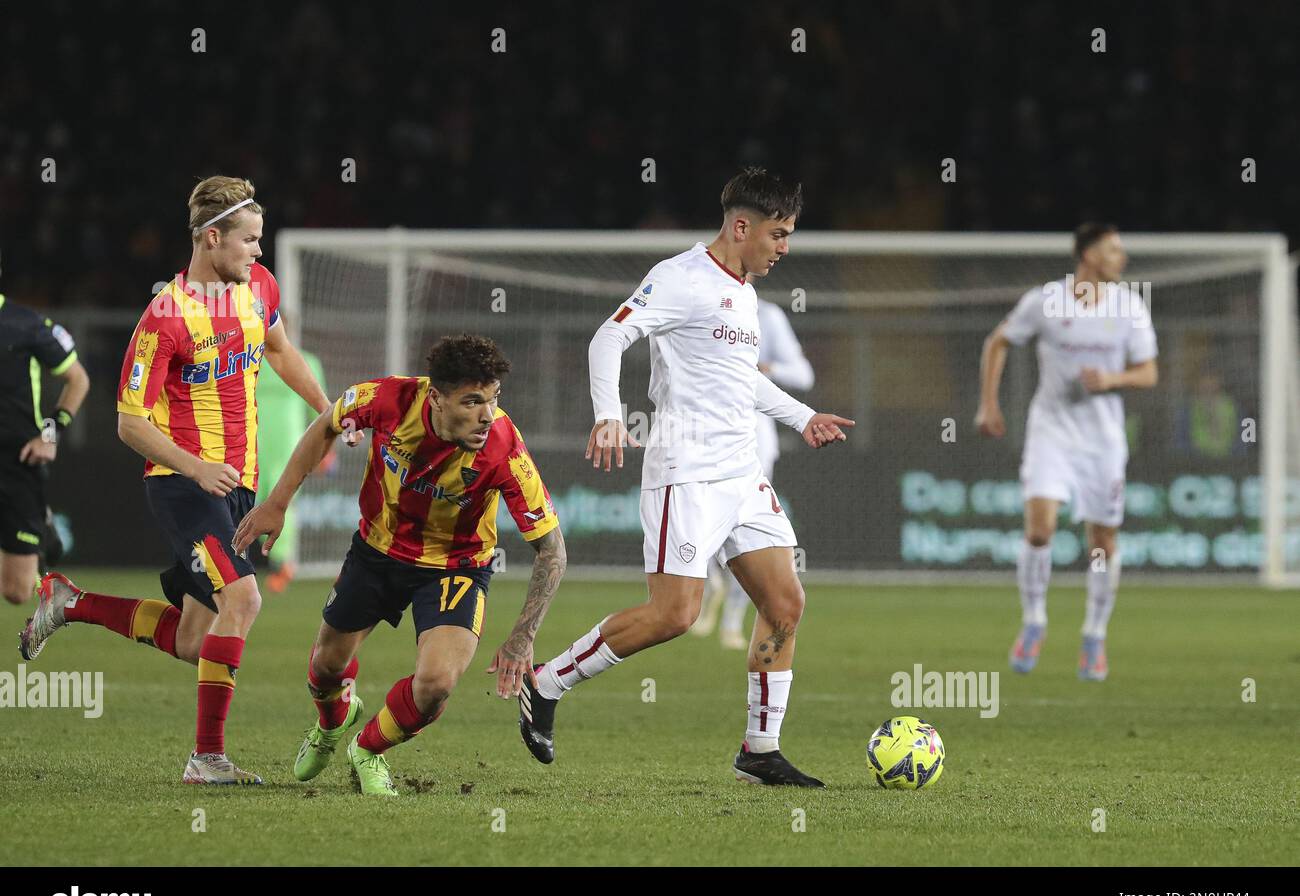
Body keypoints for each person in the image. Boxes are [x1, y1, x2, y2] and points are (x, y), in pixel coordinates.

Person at [518, 167, 854, 787]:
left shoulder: (747, 292)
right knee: (674, 614)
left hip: (742, 474)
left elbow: (739, 376)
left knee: (785, 605)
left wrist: (803, 416)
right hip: (687, 472)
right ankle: (546, 681)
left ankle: (760, 750)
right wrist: (609, 416)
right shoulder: (679, 278)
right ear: (742, 225)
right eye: (778, 234)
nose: (785, 247)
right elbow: (608, 337)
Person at [20, 176, 337, 784]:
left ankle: (71, 602)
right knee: (242, 600)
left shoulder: (258, 288)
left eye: (261, 240)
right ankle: (207, 759)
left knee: (197, 639)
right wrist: (194, 466)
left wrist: (328, 410)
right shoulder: (164, 317)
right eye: (249, 240)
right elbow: (128, 423)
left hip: (234, 483)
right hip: (182, 482)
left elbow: (279, 350)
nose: (259, 253)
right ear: (211, 237)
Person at [234, 334, 567, 796]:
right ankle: (333, 722)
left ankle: (368, 749)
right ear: (435, 398)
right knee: (327, 667)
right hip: (376, 553)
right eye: (471, 401)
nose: (487, 414)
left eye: (492, 400)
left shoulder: (505, 449)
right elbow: (327, 423)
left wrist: (521, 638)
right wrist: (277, 502)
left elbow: (552, 549)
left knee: (436, 682)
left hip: (456, 568)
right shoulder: (389, 399)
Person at [975, 223, 1159, 681]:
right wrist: (988, 403)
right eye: (1114, 248)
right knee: (1040, 530)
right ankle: (1034, 621)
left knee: (1103, 543)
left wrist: (1113, 380)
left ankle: (1094, 635)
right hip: (1051, 432)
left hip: (1103, 441)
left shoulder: (1129, 306)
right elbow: (997, 341)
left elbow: (1149, 373)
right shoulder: (1046, 301)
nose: (1122, 257)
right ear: (1089, 253)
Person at [691, 297, 814, 649]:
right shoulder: (699, 304)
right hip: (703, 435)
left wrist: (766, 369)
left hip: (754, 441)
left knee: (751, 535)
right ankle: (710, 579)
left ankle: (732, 621)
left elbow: (804, 374)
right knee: (702, 519)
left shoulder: (767, 315)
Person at [0, 253, 90, 604]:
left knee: (16, 592)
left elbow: (78, 380)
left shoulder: (25, 324)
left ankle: (44, 521)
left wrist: (50, 435)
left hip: (17, 461)